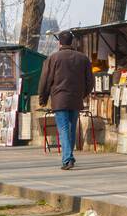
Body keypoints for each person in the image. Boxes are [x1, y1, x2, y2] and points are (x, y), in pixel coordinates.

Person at [38, 30, 92, 170]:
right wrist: (83, 94)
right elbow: (90, 81)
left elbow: (45, 80)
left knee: (63, 129)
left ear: (59, 43)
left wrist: (42, 98)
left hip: (59, 98)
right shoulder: (83, 58)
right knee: (72, 128)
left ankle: (68, 158)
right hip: (75, 99)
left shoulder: (52, 58)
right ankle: (69, 156)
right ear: (72, 42)